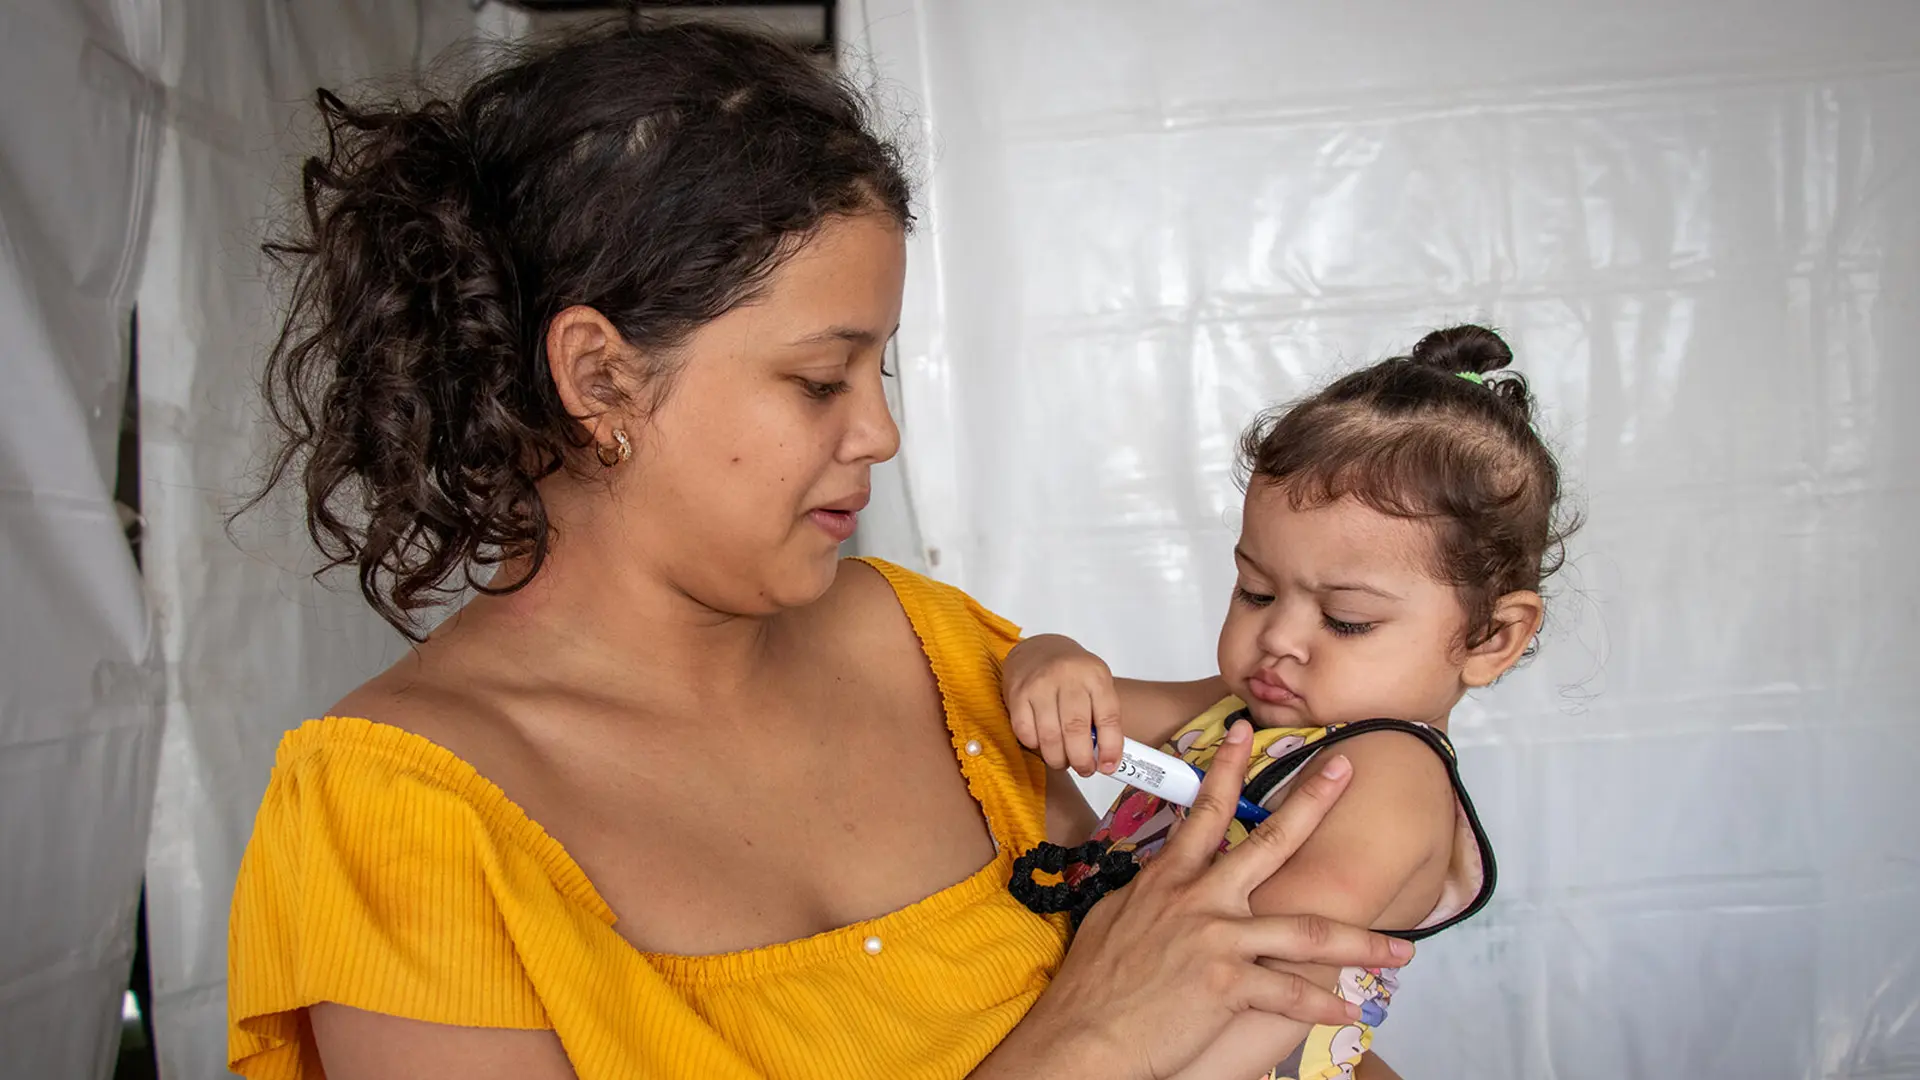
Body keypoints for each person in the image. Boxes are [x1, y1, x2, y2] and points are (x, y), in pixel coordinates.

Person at [223, 20, 1415, 1080]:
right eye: (817, 378)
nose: (879, 432)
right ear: (600, 378)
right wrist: (1093, 1042)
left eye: (879, 369)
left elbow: (1250, 990)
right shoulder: (399, 810)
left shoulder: (924, 644)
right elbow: (1130, 1011)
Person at [1003, 326, 1572, 1079]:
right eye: (1257, 591)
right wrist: (1047, 657)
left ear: (1491, 637)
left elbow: (1259, 979)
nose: (1279, 639)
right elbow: (1080, 711)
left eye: (1347, 620)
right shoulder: (1244, 711)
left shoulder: (1388, 774)